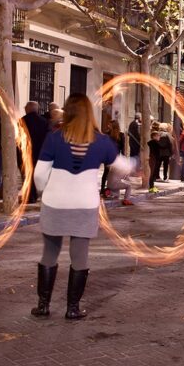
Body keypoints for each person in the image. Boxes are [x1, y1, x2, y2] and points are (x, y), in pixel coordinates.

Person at [31, 93, 129, 320]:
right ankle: (72, 308)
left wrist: (45, 192)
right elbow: (122, 166)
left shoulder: (54, 138)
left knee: (49, 253)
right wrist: (135, 164)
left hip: (55, 202)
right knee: (80, 256)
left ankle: (43, 305)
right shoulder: (102, 142)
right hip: (84, 204)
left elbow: (39, 174)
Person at [21, 102, 50, 203]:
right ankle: (36, 194)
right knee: (36, 174)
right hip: (39, 152)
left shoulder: (22, 121)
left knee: (27, 175)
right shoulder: (44, 121)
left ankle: (30, 195)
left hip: (26, 152)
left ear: (28, 109)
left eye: (25, 107)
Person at [147, 129, 161, 193]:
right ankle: (151, 187)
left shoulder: (155, 143)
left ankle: (152, 187)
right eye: (158, 136)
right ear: (154, 136)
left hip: (154, 159)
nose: (159, 137)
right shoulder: (154, 143)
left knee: (153, 173)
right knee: (152, 173)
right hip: (153, 159)